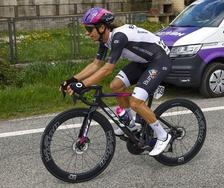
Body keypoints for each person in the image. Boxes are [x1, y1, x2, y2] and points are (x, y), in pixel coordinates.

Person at [61, 7, 172, 156]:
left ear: (102, 27)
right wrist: (72, 80)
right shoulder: (105, 40)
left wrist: (82, 85)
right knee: (115, 86)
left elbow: (107, 69)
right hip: (143, 61)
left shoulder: (119, 36)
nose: (87, 33)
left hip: (159, 60)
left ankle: (163, 136)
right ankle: (131, 124)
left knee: (135, 102)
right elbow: (96, 65)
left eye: (89, 29)